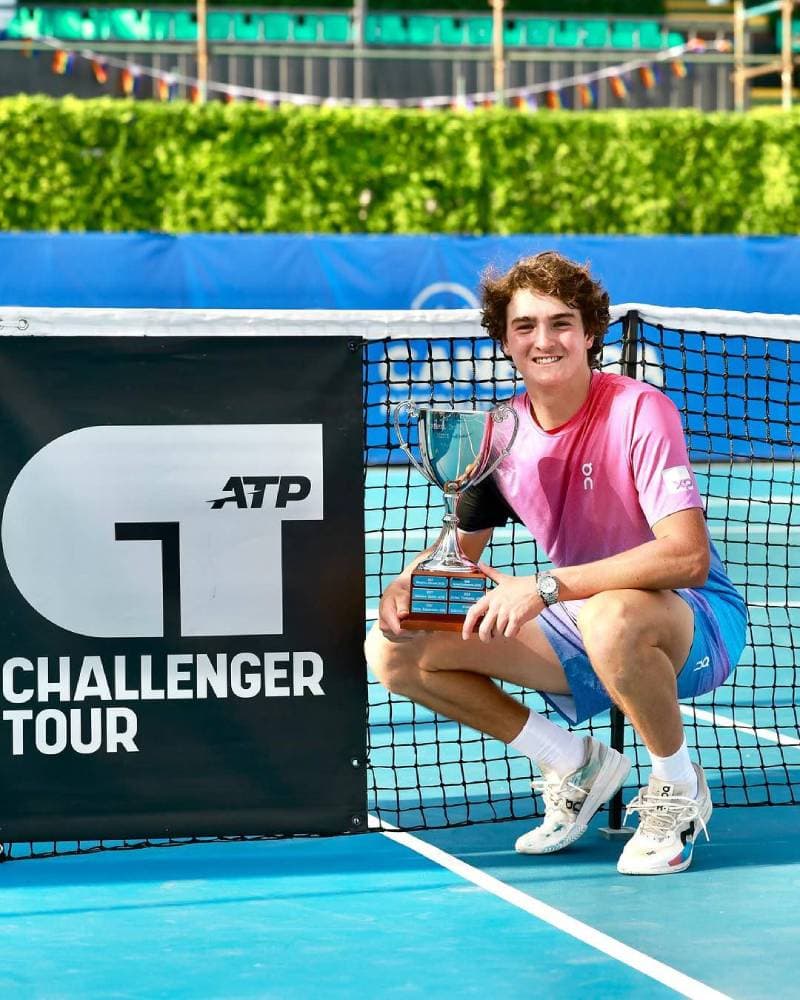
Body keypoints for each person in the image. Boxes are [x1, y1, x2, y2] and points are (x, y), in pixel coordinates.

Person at [365, 251, 747, 876]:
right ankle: (574, 762)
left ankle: (677, 787)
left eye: (561, 322)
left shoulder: (639, 410)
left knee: (614, 618)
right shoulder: (499, 433)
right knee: (395, 651)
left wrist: (544, 587)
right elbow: (457, 558)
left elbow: (687, 557)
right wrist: (409, 590)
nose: (544, 340)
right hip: (581, 613)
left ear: (591, 332)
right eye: (525, 326)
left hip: (692, 620)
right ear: (506, 342)